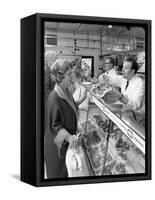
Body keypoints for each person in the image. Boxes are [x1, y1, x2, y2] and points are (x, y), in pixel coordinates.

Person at [44, 59, 86, 179]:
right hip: (57, 148)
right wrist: (68, 137)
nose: (72, 76)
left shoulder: (65, 91)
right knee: (59, 176)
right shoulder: (54, 98)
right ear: (59, 77)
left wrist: (81, 100)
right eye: (69, 74)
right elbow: (55, 126)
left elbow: (69, 107)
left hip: (65, 145)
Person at [104, 57, 145, 148]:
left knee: (136, 145)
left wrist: (120, 96)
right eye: (123, 67)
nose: (122, 70)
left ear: (133, 71)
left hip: (137, 119)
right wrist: (104, 77)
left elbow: (136, 105)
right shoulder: (124, 79)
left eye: (126, 68)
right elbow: (112, 79)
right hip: (126, 116)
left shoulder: (140, 83)